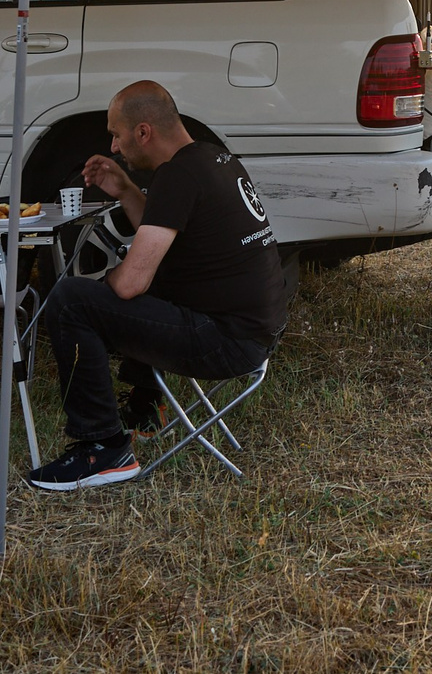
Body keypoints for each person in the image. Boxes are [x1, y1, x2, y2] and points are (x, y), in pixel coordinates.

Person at [28, 79, 288, 491]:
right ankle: (147, 404)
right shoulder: (210, 158)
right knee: (157, 281)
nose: (113, 147)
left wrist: (102, 284)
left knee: (72, 300)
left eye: (116, 134)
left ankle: (103, 447)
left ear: (143, 132)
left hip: (226, 340)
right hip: (255, 332)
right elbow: (167, 225)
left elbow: (130, 284)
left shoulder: (178, 176)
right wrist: (127, 190)